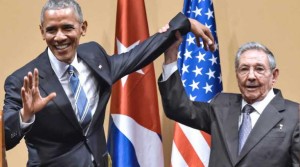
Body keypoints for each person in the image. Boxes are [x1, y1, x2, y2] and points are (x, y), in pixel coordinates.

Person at [3, 0, 215, 166]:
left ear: (82, 28)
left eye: (67, 28)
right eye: (51, 30)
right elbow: (6, 138)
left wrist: (184, 24)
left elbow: (137, 55)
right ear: (42, 31)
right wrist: (25, 116)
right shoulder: (23, 81)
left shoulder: (94, 56)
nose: (59, 37)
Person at [159, 41, 300, 166]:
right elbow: (177, 108)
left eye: (259, 69)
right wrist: (171, 55)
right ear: (237, 74)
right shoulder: (221, 105)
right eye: (244, 69)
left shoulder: (295, 115)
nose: (251, 76)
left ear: (274, 75)